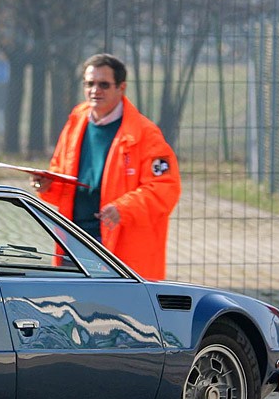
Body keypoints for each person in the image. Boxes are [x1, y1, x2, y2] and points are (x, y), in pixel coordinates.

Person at [33, 53, 180, 280]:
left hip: (119, 247)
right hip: (73, 239)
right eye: (89, 84)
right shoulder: (76, 122)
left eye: (104, 85)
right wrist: (46, 186)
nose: (95, 90)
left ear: (121, 88)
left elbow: (164, 190)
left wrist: (123, 209)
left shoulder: (145, 134)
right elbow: (61, 175)